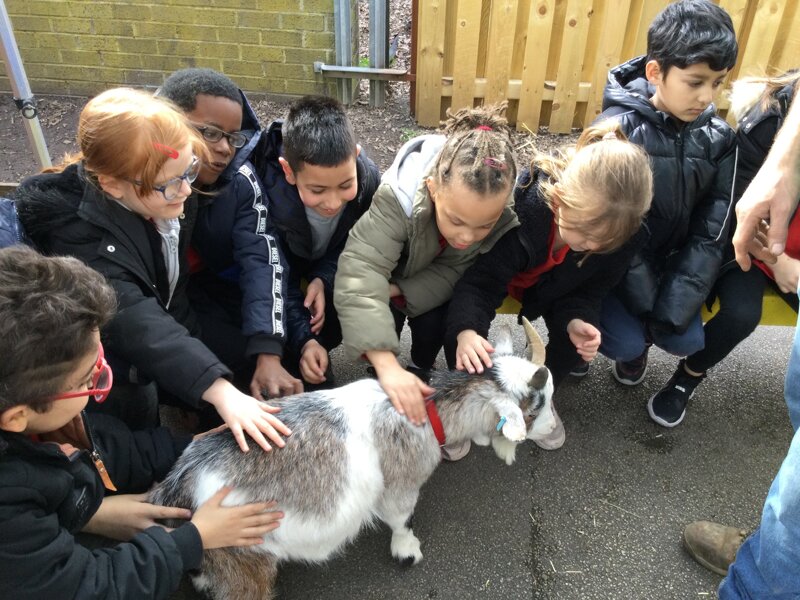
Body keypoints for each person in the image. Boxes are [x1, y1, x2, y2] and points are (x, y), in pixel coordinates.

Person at [15, 88, 290, 453]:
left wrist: (205, 386)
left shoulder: (164, 192)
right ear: (112, 184)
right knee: (126, 433)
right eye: (172, 183)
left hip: (163, 331)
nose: (187, 190)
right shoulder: (74, 232)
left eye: (190, 169)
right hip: (106, 370)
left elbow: (171, 293)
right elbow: (134, 317)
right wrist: (219, 390)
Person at [0, 246, 283, 600]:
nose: (102, 379)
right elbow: (86, 588)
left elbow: (107, 446)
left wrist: (197, 446)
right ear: (17, 418)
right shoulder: (9, 505)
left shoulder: (31, 402)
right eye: (90, 379)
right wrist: (194, 539)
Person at [443, 122, 652, 449]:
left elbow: (589, 292)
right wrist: (466, 331)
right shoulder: (528, 211)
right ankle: (460, 402)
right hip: (505, 274)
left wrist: (578, 320)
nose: (589, 245)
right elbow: (479, 285)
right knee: (464, 333)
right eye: (582, 229)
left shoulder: (621, 237)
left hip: (555, 289)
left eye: (603, 242)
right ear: (561, 196)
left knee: (576, 344)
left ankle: (537, 395)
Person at [594, 0, 738, 425]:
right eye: (695, 82)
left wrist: (674, 302)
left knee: (683, 338)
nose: (707, 97)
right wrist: (647, 301)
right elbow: (618, 228)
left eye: (717, 83)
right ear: (656, 73)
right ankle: (626, 351)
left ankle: (644, 331)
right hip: (619, 270)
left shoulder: (720, 139)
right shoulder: (617, 130)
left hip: (677, 269)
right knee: (624, 342)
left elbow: (713, 228)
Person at [682, 78, 800, 597]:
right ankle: (774, 550)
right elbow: (734, 217)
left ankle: (768, 573)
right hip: (764, 262)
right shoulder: (766, 124)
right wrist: (785, 164)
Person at [334, 103, 519, 430]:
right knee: (381, 329)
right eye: (456, 220)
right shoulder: (397, 197)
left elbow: (457, 270)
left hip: (420, 285)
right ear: (433, 189)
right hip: (385, 278)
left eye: (483, 227)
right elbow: (361, 273)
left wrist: (404, 290)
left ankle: (420, 367)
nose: (467, 236)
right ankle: (382, 378)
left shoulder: (497, 208)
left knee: (432, 327)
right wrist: (386, 363)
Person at [649, 71, 800, 428]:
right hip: (750, 242)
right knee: (741, 314)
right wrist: (778, 260)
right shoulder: (769, 123)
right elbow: (735, 203)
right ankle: (688, 376)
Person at [158, 68, 299, 401]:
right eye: (210, 132)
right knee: (222, 370)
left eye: (233, 137)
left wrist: (269, 350)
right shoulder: (139, 183)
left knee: (280, 356)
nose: (224, 148)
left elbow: (262, 259)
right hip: (162, 301)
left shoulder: (239, 182)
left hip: (210, 285)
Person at [256, 95, 380, 388]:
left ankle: (316, 348)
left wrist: (324, 277)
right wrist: (304, 340)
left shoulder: (369, 181)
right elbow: (273, 275)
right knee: (297, 337)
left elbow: (359, 241)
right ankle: (305, 348)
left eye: (345, 185)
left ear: (356, 155)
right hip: (280, 281)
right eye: (318, 189)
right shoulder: (262, 197)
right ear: (288, 171)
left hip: (322, 272)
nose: (333, 202)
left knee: (332, 317)